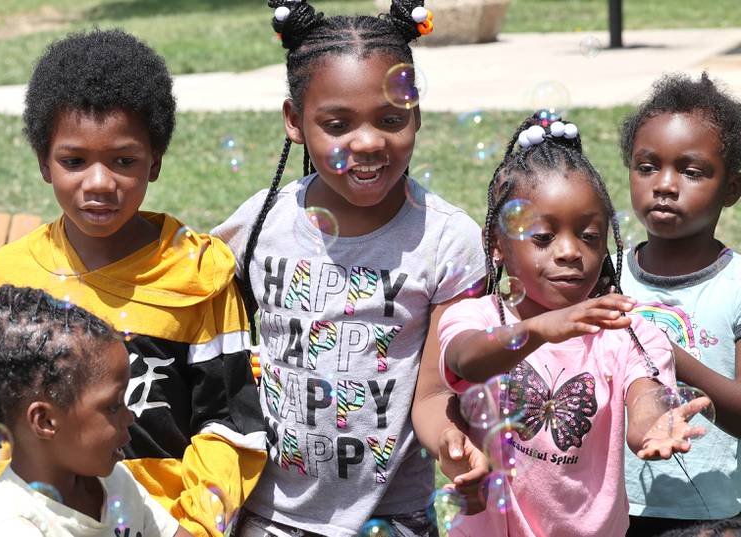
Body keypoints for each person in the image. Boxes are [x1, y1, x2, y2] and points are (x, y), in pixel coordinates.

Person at [211, 1, 489, 534]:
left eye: (391, 120)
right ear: (295, 122)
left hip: (390, 517)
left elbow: (432, 393)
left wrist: (452, 446)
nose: (367, 142)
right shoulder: (263, 220)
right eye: (337, 124)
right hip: (265, 514)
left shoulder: (448, 241)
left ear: (417, 115)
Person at [0, 29, 265, 537]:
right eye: (74, 161)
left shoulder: (198, 276)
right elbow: (8, 423)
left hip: (168, 522)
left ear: (154, 162)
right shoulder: (14, 276)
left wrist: (198, 525)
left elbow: (229, 424)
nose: (99, 183)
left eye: (123, 160)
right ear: (43, 164)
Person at [437, 113, 709, 536]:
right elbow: (466, 360)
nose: (570, 252)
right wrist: (545, 328)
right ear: (497, 246)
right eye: (543, 238)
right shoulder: (477, 317)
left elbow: (644, 398)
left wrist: (653, 422)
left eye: (589, 236)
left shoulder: (627, 333)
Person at [0, 285, 191, 536]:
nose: (129, 416)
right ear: (45, 421)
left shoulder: (115, 481)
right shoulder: (14, 526)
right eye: (113, 406)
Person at [619, 72, 741, 536]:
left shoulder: (735, 285)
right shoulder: (604, 277)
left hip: (712, 515)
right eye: (647, 166)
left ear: (732, 188)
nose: (665, 184)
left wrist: (670, 358)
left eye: (691, 171)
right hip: (610, 507)